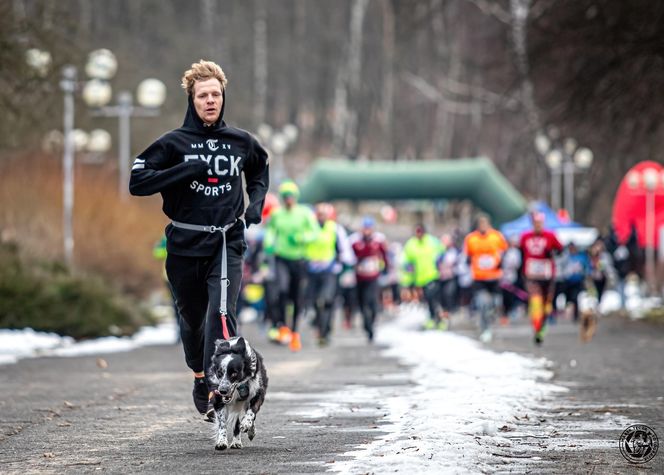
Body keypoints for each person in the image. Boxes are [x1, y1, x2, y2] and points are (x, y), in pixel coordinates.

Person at [129, 59, 269, 420]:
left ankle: (217, 387)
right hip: (183, 243)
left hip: (226, 241)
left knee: (221, 314)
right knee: (191, 320)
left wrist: (255, 205)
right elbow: (138, 182)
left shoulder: (240, 141)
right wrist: (182, 170)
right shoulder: (174, 143)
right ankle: (199, 373)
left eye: (216, 95)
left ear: (223, 98)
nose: (210, 101)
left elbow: (259, 168)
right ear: (192, 100)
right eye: (203, 95)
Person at [263, 180, 320, 352]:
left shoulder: (304, 213)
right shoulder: (277, 214)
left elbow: (315, 232)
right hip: (281, 258)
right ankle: (283, 327)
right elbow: (270, 231)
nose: (288, 199)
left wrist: (302, 238)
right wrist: (269, 244)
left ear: (296, 197)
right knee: (281, 289)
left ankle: (295, 332)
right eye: (285, 197)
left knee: (297, 297)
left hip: (299, 259)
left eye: (291, 196)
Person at [305, 203, 354, 346]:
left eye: (324, 214)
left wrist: (345, 265)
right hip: (312, 272)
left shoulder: (335, 229)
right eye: (319, 214)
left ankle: (325, 331)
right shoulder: (309, 228)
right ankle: (320, 328)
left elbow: (344, 250)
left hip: (330, 272)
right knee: (314, 302)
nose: (321, 216)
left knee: (326, 300)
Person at [519, 212, 563, 345]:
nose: (538, 226)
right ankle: (537, 329)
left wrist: (552, 252)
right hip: (532, 276)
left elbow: (560, 250)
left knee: (546, 305)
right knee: (536, 302)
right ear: (532, 224)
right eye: (535, 223)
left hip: (547, 275)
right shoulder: (525, 237)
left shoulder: (550, 236)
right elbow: (521, 253)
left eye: (540, 223)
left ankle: (542, 327)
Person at [463, 214, 508, 342]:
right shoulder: (471, 238)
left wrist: (501, 263)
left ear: (489, 224)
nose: (483, 226)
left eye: (485, 224)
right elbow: (467, 257)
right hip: (479, 278)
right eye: (480, 224)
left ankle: (492, 316)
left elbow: (505, 251)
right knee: (483, 304)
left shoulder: (497, 236)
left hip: (494, 277)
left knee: (495, 303)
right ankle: (485, 329)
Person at [350, 217, 389, 342]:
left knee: (372, 301)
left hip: (373, 276)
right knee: (362, 302)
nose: (367, 231)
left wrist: (385, 268)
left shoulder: (378, 240)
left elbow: (385, 255)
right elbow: (349, 256)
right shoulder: (355, 241)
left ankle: (371, 323)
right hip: (359, 278)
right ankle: (366, 323)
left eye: (369, 228)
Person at [403, 225, 445, 330]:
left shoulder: (432, 241)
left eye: (420, 231)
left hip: (433, 275)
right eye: (417, 232)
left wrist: (440, 261)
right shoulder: (411, 244)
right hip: (419, 278)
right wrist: (407, 268)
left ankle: (438, 317)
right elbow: (406, 259)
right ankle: (435, 317)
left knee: (432, 297)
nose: (419, 234)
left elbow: (442, 251)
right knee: (427, 299)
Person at [561, 242, 589, 322]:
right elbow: (562, 267)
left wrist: (585, 276)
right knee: (568, 298)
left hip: (578, 281)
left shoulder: (581, 257)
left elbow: (586, 267)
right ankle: (568, 314)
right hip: (567, 282)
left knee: (575, 298)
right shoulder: (566, 257)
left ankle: (576, 316)